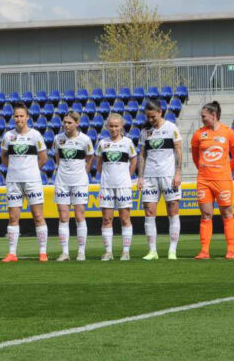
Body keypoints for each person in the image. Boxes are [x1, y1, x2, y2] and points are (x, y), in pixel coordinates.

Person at [191, 100, 234, 259]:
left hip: (223, 180)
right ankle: (204, 251)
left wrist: (225, 171)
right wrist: (205, 171)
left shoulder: (229, 133)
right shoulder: (199, 134)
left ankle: (231, 250)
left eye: (204, 116)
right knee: (206, 214)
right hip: (204, 180)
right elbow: (195, 157)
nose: (202, 119)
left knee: (227, 213)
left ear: (213, 115)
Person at [1, 103, 49, 262]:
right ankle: (12, 253)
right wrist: (15, 169)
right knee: (13, 217)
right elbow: (4, 157)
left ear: (27, 117)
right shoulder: (8, 136)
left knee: (38, 215)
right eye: (16, 116)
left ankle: (43, 252)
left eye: (22, 116)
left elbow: (44, 158)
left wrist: (31, 170)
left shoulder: (35, 135)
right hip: (13, 181)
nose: (19, 119)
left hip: (32, 181)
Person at [136, 100, 183, 260]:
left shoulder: (171, 128)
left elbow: (178, 151)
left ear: (160, 112)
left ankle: (172, 251)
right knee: (149, 212)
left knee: (173, 211)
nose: (150, 120)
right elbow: (142, 154)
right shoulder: (145, 131)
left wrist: (178, 172)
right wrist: (140, 177)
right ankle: (152, 251)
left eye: (153, 117)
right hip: (150, 176)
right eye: (148, 117)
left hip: (169, 176)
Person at [52, 110, 94, 261]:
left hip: (79, 182)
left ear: (77, 123)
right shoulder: (58, 139)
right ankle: (65, 253)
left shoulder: (85, 140)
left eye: (69, 122)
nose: (66, 125)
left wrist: (83, 174)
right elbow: (57, 158)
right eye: (64, 122)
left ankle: (81, 252)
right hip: (62, 181)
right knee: (63, 216)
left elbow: (90, 158)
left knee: (79, 215)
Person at [96, 113, 137, 261]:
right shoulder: (102, 143)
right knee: (107, 219)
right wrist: (106, 176)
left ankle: (126, 251)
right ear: (107, 127)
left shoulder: (128, 143)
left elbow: (134, 161)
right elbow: (99, 164)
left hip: (123, 186)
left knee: (125, 218)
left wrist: (126, 177)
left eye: (116, 126)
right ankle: (108, 252)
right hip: (106, 186)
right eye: (111, 126)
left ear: (121, 127)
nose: (113, 129)